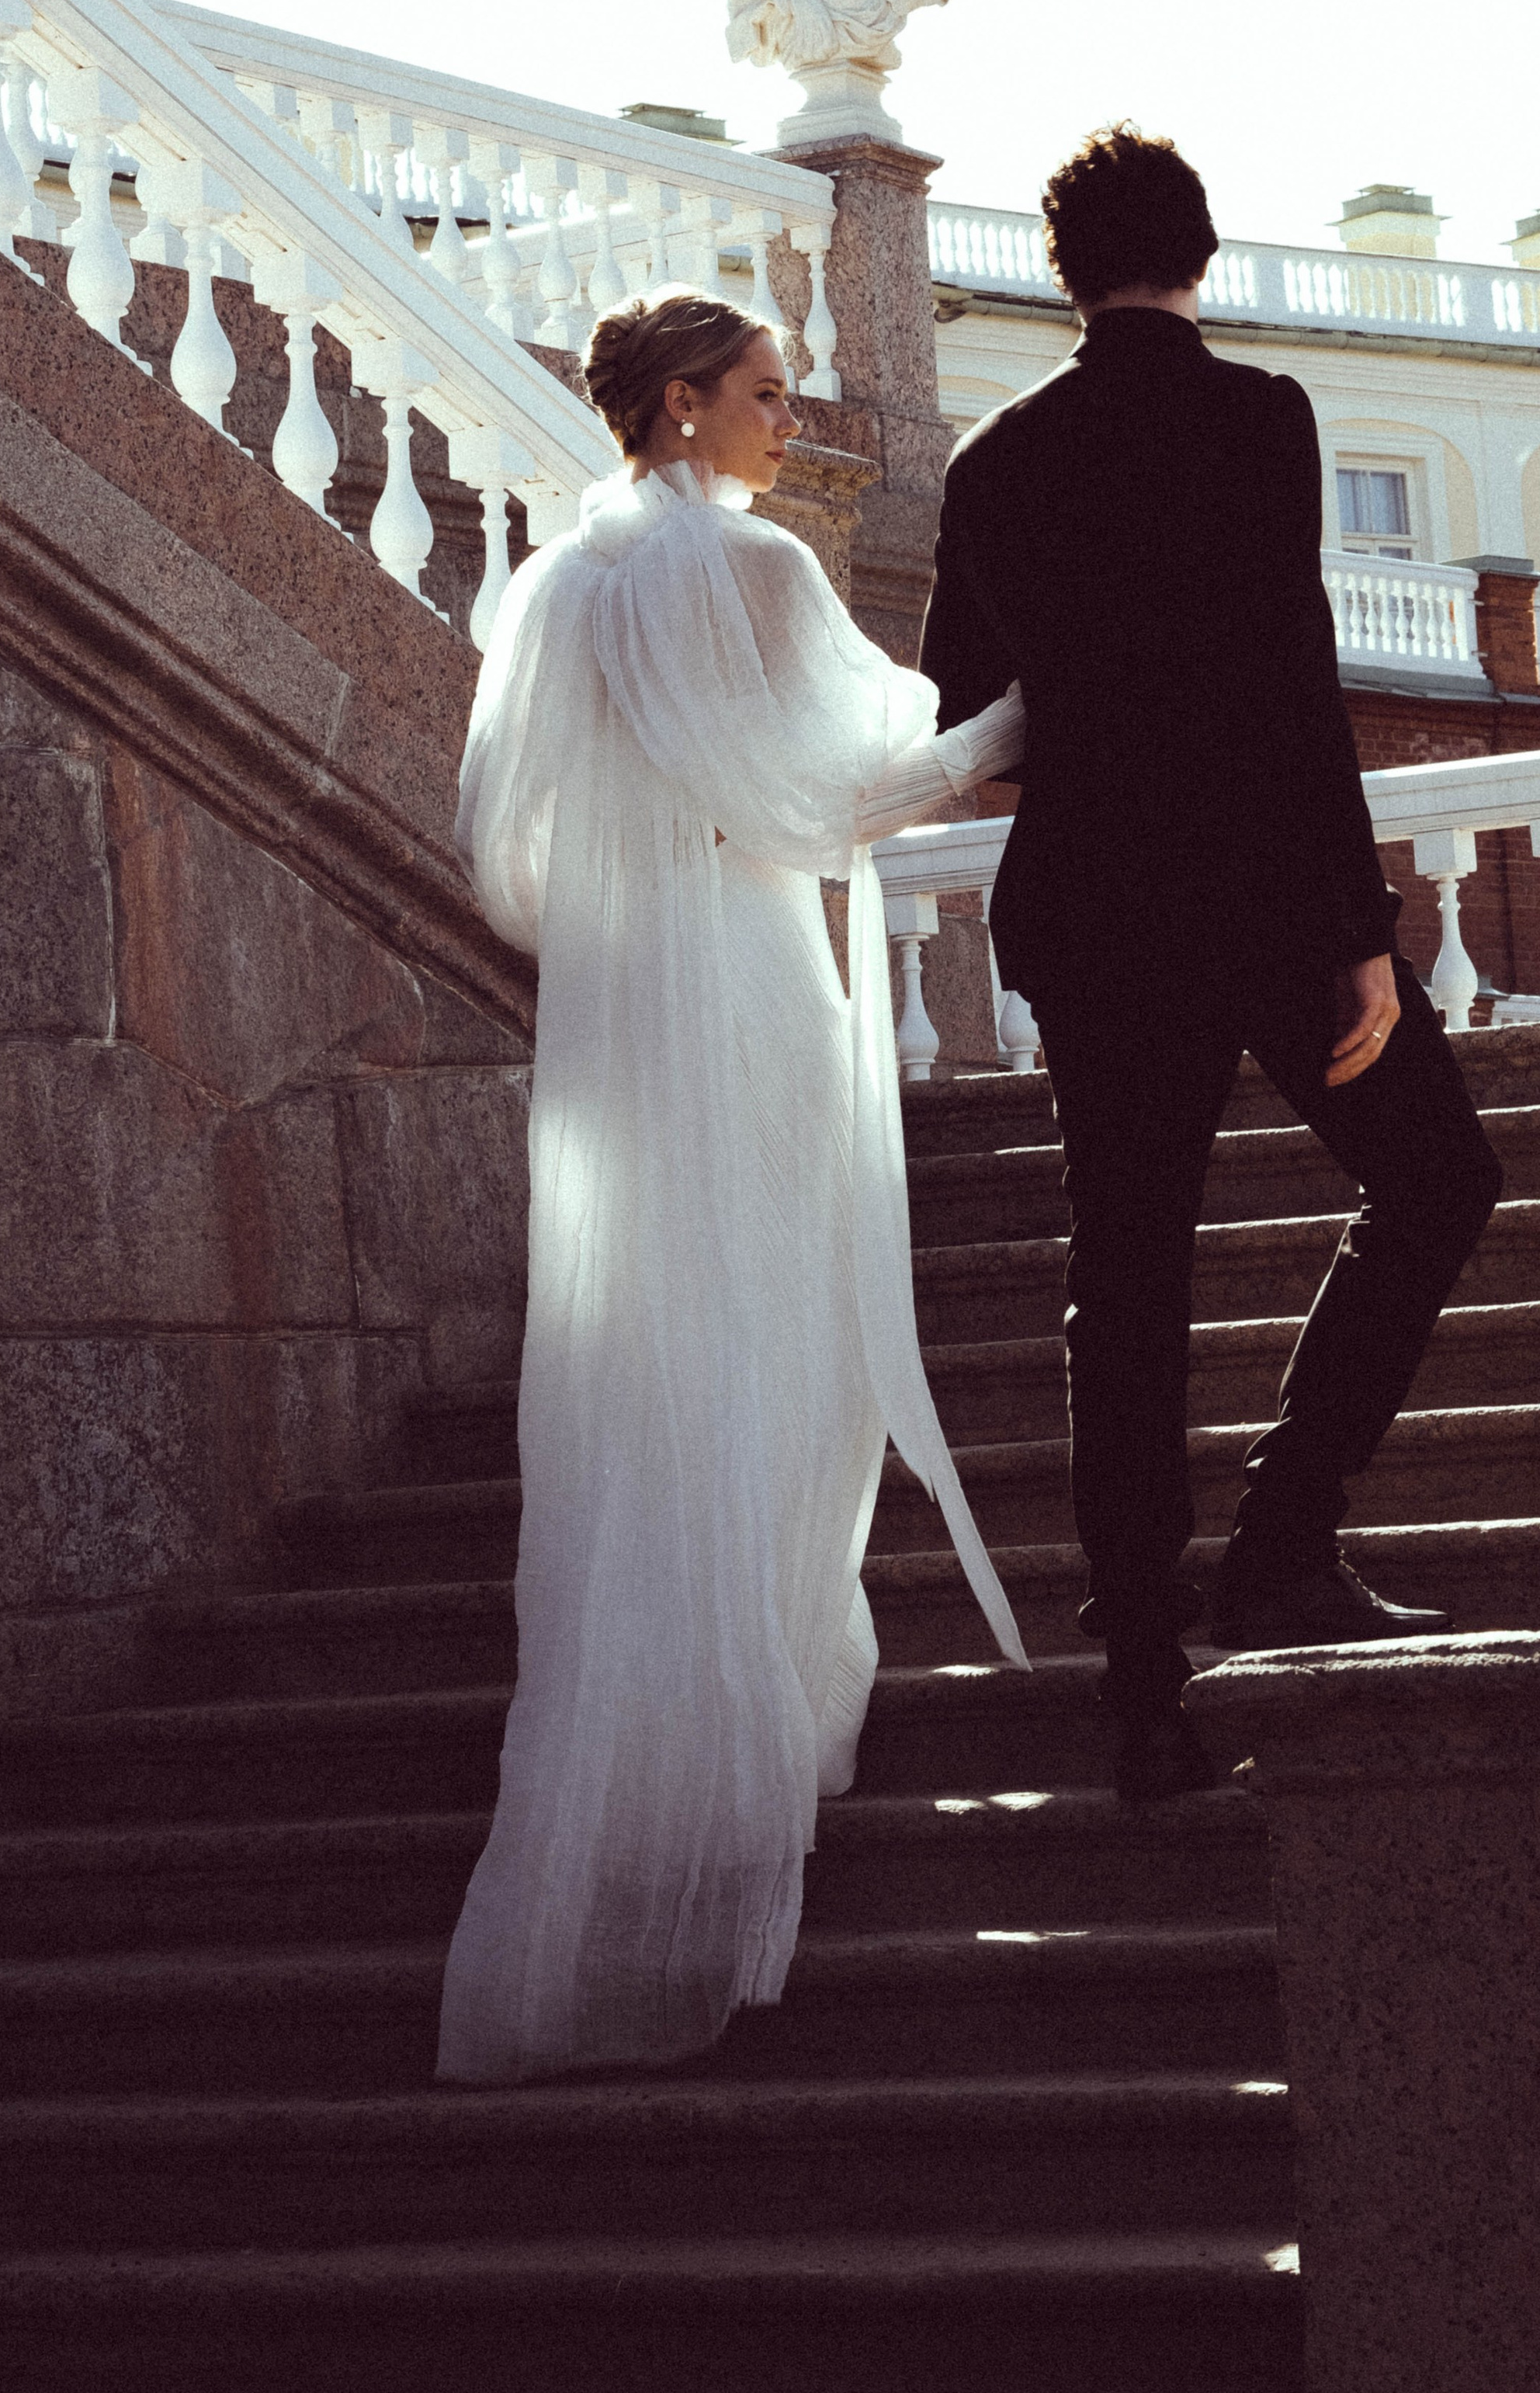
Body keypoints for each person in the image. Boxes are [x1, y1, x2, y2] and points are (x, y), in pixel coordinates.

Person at [437, 293, 1028, 2086]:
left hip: (623, 1010)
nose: (791, 422)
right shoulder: (751, 569)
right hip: (751, 982)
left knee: (655, 1354)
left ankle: (672, 1747)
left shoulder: (554, 587)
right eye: (765, 394)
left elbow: (508, 865)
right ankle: (764, 1711)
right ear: (682, 406)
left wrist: (649, 879)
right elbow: (834, 801)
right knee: (788, 1336)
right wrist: (1013, 725)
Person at [917, 126, 1505, 1803]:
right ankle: (1283, 1540)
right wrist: (1361, 935)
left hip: (1093, 906)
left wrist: (1104, 727)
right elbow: (1289, 676)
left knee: (1126, 1277)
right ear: (1200, 253)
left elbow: (965, 712)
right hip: (1263, 900)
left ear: (1063, 273)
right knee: (1438, 1182)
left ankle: (1142, 1692)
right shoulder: (1259, 415)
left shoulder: (994, 458)